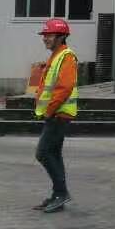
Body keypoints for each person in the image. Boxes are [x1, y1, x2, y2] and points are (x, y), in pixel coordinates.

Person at [33, 18, 78, 213]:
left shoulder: (66, 56)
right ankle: (58, 194)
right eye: (44, 35)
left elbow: (64, 88)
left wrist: (49, 110)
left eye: (49, 35)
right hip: (55, 113)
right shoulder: (56, 56)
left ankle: (61, 193)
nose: (45, 38)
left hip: (59, 114)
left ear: (61, 37)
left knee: (43, 153)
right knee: (54, 154)